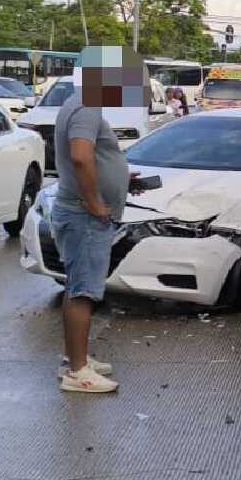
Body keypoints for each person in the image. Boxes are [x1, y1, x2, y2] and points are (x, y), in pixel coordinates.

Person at [53, 49, 148, 393]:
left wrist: (122, 180)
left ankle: (75, 359)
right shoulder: (87, 106)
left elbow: (90, 156)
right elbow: (80, 157)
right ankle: (78, 373)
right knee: (83, 292)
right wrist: (95, 202)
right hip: (83, 214)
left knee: (77, 286)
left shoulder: (79, 102)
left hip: (78, 209)